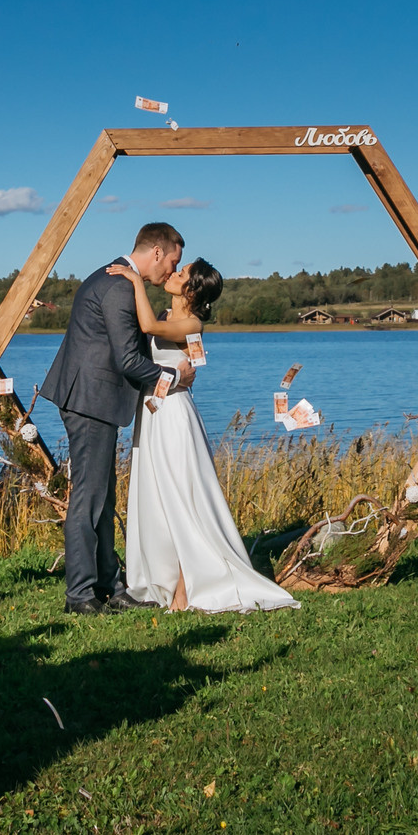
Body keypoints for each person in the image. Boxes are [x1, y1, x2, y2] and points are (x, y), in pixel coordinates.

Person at [108, 255, 297, 614]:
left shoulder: (190, 324)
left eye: (181, 273)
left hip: (174, 417)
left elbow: (146, 327)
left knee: (182, 498)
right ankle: (164, 580)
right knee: (159, 498)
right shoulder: (167, 315)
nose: (173, 274)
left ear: (192, 290)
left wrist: (135, 280)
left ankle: (184, 590)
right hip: (152, 414)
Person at [37, 222, 193, 615]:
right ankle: (80, 595)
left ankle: (110, 585)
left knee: (102, 497)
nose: (171, 271)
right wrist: (174, 376)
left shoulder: (121, 281)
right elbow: (127, 359)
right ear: (156, 252)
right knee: (89, 499)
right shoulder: (119, 286)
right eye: (172, 260)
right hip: (89, 399)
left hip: (94, 398)